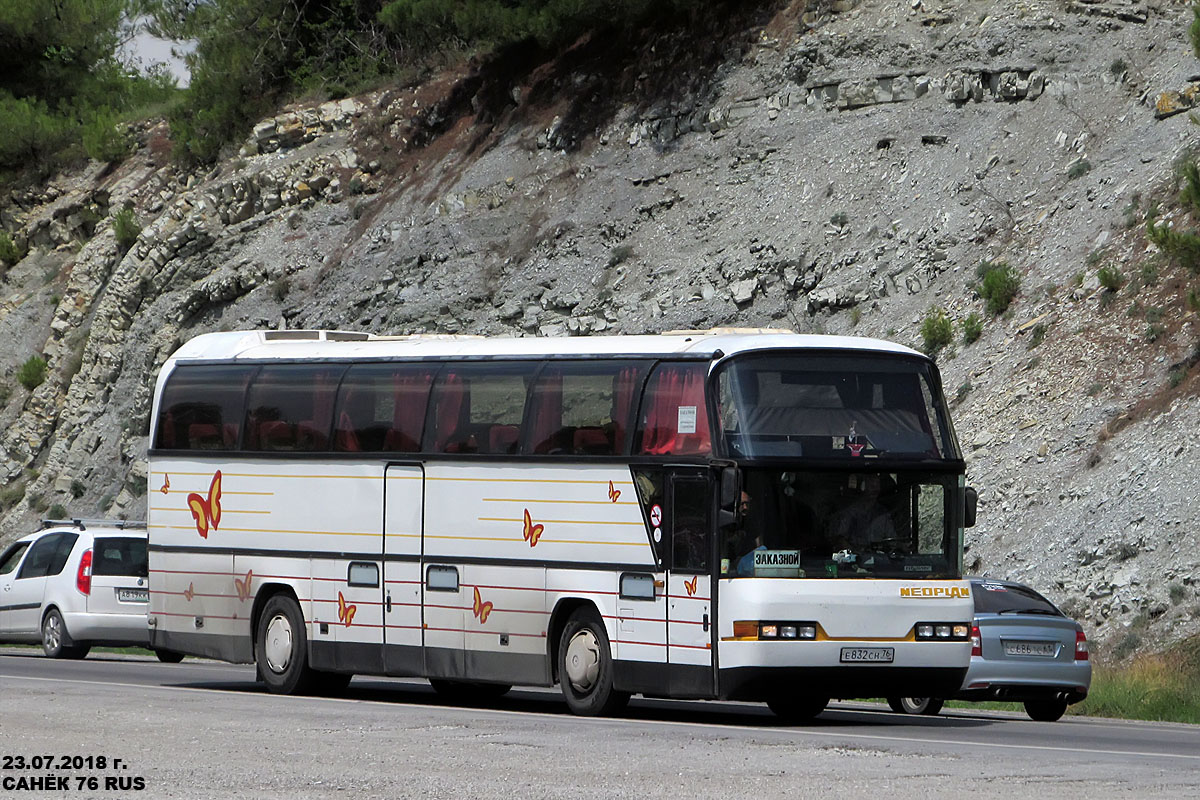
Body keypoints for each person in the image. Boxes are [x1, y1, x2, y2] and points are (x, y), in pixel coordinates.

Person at [829, 474, 897, 552]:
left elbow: (892, 540)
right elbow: (841, 540)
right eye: (871, 484)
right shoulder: (850, 512)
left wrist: (901, 546)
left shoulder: (883, 513)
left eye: (877, 485)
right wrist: (856, 554)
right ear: (862, 487)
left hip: (881, 560)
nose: (875, 489)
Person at [734, 490, 766, 575]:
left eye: (747, 504)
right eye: (742, 504)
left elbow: (761, 550)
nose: (745, 507)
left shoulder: (753, 524)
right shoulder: (725, 523)